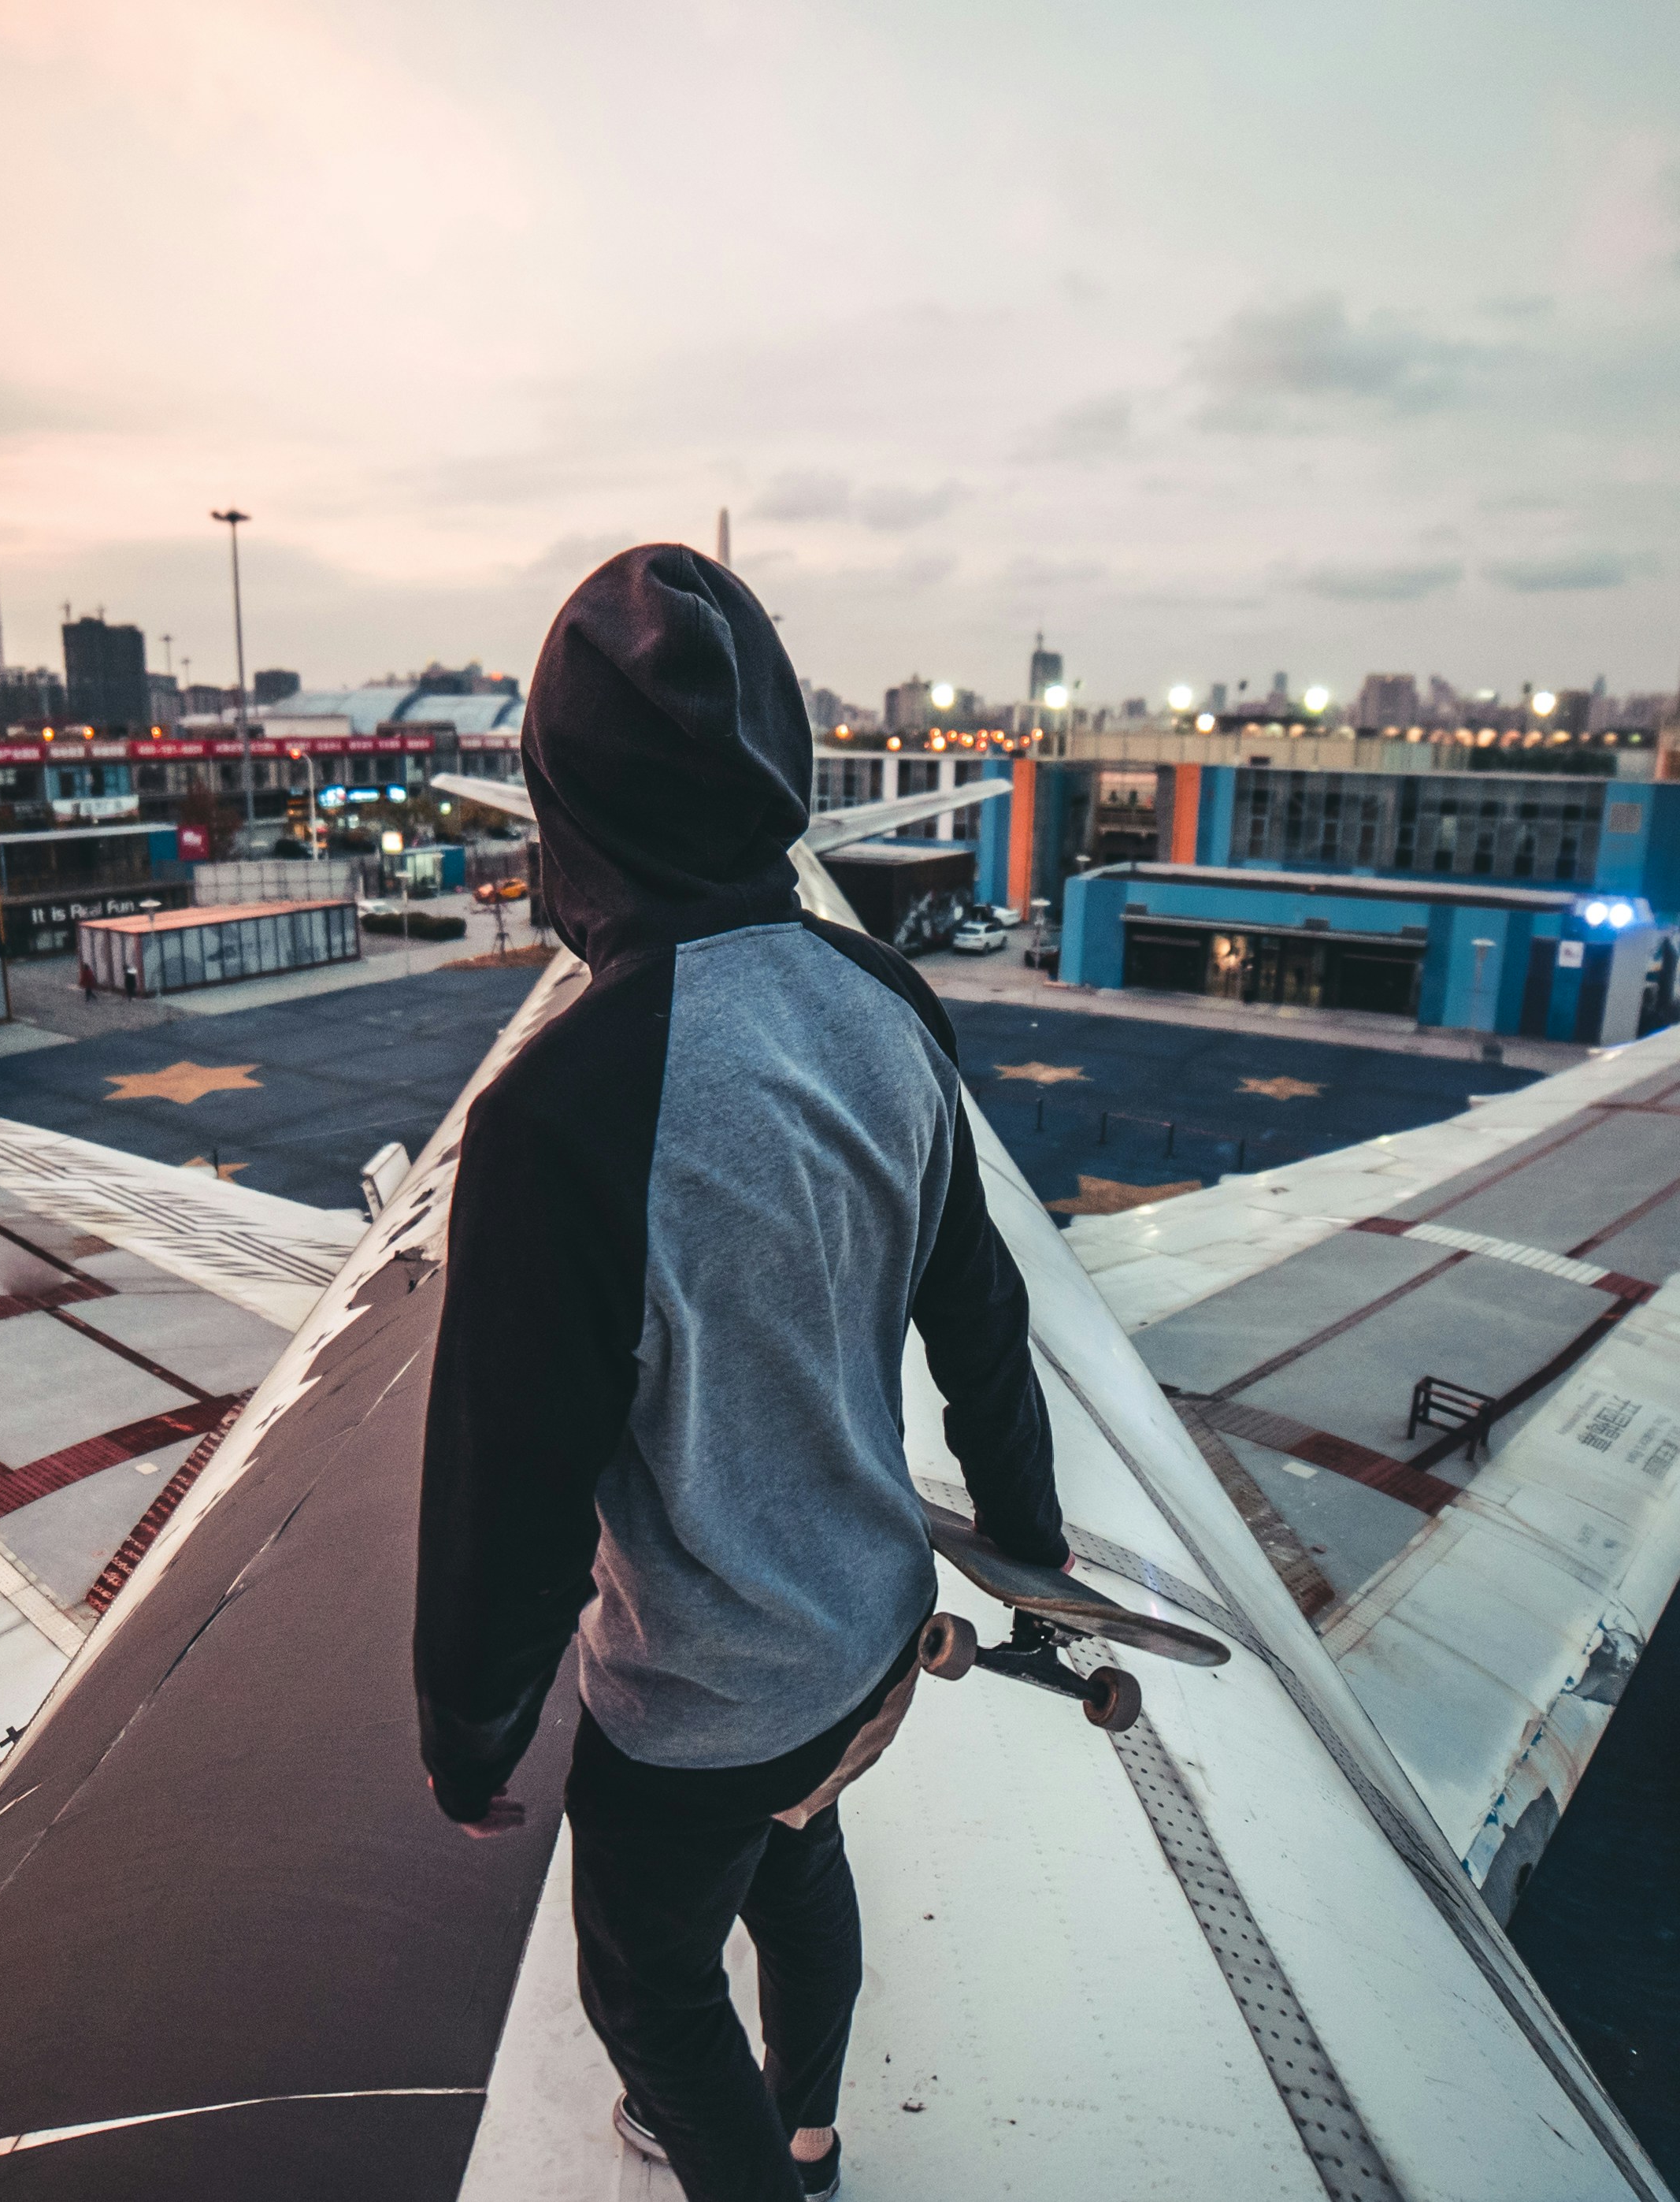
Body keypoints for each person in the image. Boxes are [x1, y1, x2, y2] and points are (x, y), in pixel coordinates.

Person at [415, 545, 1062, 2202]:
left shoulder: (560, 1112)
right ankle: (814, 2136)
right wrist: (1034, 1551)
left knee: (645, 1987)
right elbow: (977, 1317)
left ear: (571, 816)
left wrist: (472, 1733)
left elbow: (510, 1483)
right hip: (866, 1638)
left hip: (700, 1700)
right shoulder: (881, 1004)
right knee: (802, 1843)